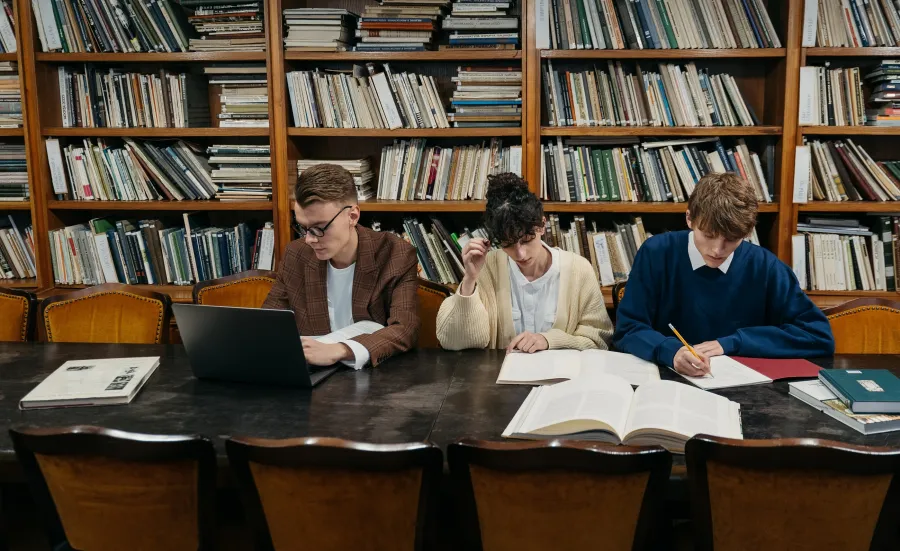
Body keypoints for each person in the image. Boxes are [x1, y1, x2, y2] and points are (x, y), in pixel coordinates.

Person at [613, 172, 834, 376]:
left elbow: (818, 337)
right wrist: (670, 351)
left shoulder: (766, 267)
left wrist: (733, 343)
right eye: (708, 235)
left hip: (744, 388)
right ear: (689, 219)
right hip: (668, 381)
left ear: (747, 232)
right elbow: (628, 329)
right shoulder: (656, 253)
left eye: (732, 238)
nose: (717, 250)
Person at [263, 163, 420, 368]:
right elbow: (270, 322)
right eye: (303, 228)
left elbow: (405, 329)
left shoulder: (394, 254)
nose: (309, 239)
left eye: (319, 229)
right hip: (309, 377)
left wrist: (341, 349)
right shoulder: (297, 254)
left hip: (372, 380)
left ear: (352, 216)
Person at [436, 172, 613, 352]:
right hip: (497, 377)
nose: (520, 254)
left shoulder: (579, 270)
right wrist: (470, 279)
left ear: (542, 225)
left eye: (527, 240)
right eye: (508, 244)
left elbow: (598, 342)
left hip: (562, 379)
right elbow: (454, 342)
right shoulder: (487, 267)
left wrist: (549, 340)